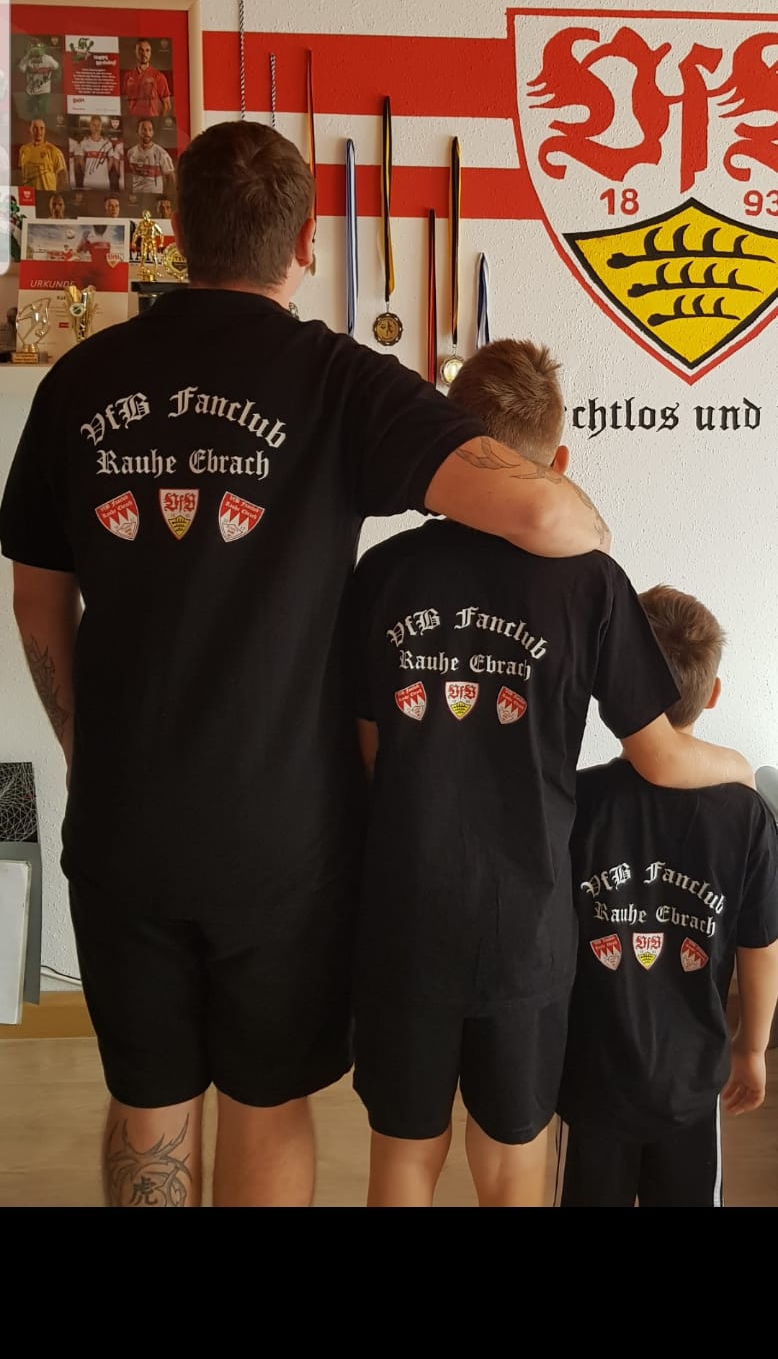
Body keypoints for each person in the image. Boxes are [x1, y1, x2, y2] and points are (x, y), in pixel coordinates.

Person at [0, 121, 615, 1211]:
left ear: (177, 229)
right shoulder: (338, 382)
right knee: (267, 1102)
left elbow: (38, 601)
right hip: (281, 839)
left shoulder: (79, 380)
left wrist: (89, 751)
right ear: (306, 243)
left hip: (125, 817)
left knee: (149, 1105)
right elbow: (549, 516)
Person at [347, 339, 754, 1208]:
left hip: (404, 916)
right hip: (523, 931)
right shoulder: (590, 583)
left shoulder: (382, 572)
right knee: (512, 1158)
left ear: (453, 442)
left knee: (404, 1155)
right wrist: (739, 769)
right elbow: (659, 755)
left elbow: (369, 751)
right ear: (558, 462)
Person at [555, 584, 778, 1208]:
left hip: (593, 1074)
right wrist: (752, 1047)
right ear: (713, 693)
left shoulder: (575, 802)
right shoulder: (746, 815)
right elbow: (762, 946)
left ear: (611, 690)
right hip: (690, 1082)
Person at [70, 115, 123, 192]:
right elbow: (81, 160)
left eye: (98, 125)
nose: (96, 128)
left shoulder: (108, 143)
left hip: (104, 182)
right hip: (88, 181)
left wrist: (104, 172)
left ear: (101, 127)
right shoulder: (84, 143)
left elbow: (111, 160)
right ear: (90, 126)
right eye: (94, 125)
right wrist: (86, 172)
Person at [122, 39, 172, 118]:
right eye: (141, 50)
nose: (144, 54)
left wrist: (158, 121)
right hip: (132, 120)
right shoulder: (128, 76)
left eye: (147, 50)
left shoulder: (158, 76)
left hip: (151, 120)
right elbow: (124, 103)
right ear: (135, 51)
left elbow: (167, 105)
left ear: (150, 53)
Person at [126, 118, 175, 195]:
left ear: (153, 132)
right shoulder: (130, 152)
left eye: (150, 130)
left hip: (155, 196)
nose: (147, 133)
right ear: (137, 131)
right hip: (137, 196)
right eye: (144, 129)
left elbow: (171, 178)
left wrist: (165, 195)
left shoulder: (161, 153)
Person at [18, 118, 66, 191]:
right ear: (30, 130)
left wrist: (53, 193)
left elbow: (63, 178)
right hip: (29, 195)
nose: (39, 131)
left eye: (41, 128)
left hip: (46, 195)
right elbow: (21, 175)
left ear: (45, 131)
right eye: (35, 128)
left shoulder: (54, 151)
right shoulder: (23, 150)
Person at [17, 41, 60, 117]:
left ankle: (42, 121)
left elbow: (57, 66)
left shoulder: (48, 59)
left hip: (44, 89)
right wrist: (27, 58)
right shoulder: (27, 58)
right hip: (31, 89)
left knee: (43, 109)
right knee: (30, 111)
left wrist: (56, 76)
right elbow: (21, 69)